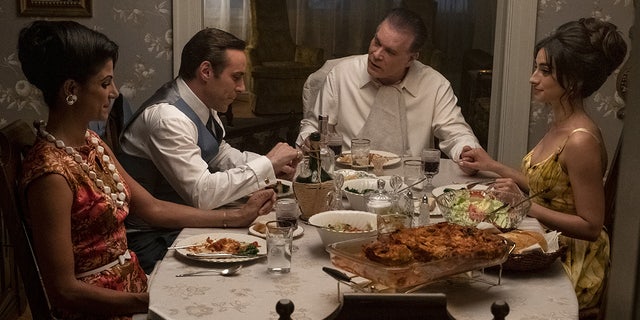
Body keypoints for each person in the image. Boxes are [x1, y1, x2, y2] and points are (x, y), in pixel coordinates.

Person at [18, 20, 275, 319]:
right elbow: (64, 291)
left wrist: (235, 217)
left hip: (134, 284)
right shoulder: (50, 174)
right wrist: (153, 302)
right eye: (105, 83)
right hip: (106, 308)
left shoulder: (91, 142)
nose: (114, 93)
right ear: (71, 90)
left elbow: (151, 207)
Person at [459, 18, 627, 310]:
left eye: (545, 70)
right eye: (536, 67)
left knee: (480, 290)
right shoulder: (560, 122)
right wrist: (492, 165)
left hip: (571, 261)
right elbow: (547, 188)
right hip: (546, 242)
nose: (533, 78)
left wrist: (522, 205)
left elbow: (591, 225)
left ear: (573, 80)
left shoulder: (580, 140)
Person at [118, 28, 300, 272]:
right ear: (206, 71)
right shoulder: (168, 118)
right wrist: (267, 163)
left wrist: (274, 167)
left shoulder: (201, 103)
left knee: (275, 243)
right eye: (236, 77)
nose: (242, 88)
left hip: (186, 222)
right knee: (260, 262)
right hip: (150, 239)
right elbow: (203, 195)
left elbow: (219, 153)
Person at [297, 7, 480, 174]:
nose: (376, 55)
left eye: (390, 52)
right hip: (348, 178)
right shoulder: (341, 75)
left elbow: (457, 134)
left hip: (408, 182)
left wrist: (466, 151)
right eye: (377, 42)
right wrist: (308, 140)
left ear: (411, 59)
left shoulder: (435, 85)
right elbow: (313, 126)